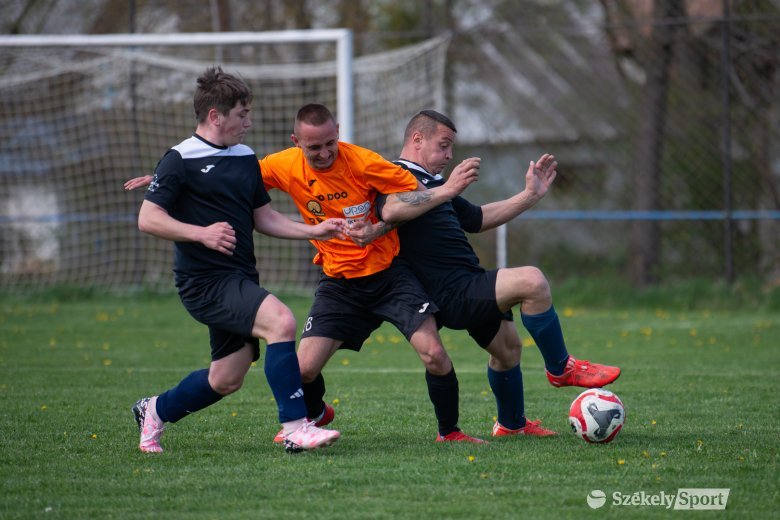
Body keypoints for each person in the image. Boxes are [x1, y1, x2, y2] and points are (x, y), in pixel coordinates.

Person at [349, 109, 621, 438]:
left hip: (466, 278)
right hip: (447, 289)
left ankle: (511, 425)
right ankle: (561, 368)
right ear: (417, 139)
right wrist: (447, 189)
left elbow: (478, 218)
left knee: (507, 352)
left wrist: (529, 196)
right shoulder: (393, 174)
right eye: (444, 145)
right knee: (532, 281)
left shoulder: (436, 183)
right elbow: (391, 208)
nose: (450, 155)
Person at [129, 67, 344, 454]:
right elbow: (148, 219)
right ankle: (296, 427)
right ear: (216, 116)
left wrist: (315, 231)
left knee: (226, 378)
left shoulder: (245, 157)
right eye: (242, 114)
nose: (249, 122)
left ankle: (155, 410)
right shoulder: (180, 158)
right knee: (281, 320)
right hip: (205, 281)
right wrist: (201, 233)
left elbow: (263, 217)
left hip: (240, 275)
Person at [260, 103, 490, 444]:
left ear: (337, 131)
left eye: (329, 143)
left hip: (389, 277)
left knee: (435, 355)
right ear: (296, 141)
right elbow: (238, 179)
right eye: (314, 148)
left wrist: (438, 195)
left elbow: (407, 198)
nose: (324, 153)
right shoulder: (280, 166)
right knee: (303, 369)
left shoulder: (364, 162)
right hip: (339, 283)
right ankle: (316, 414)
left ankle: (450, 432)